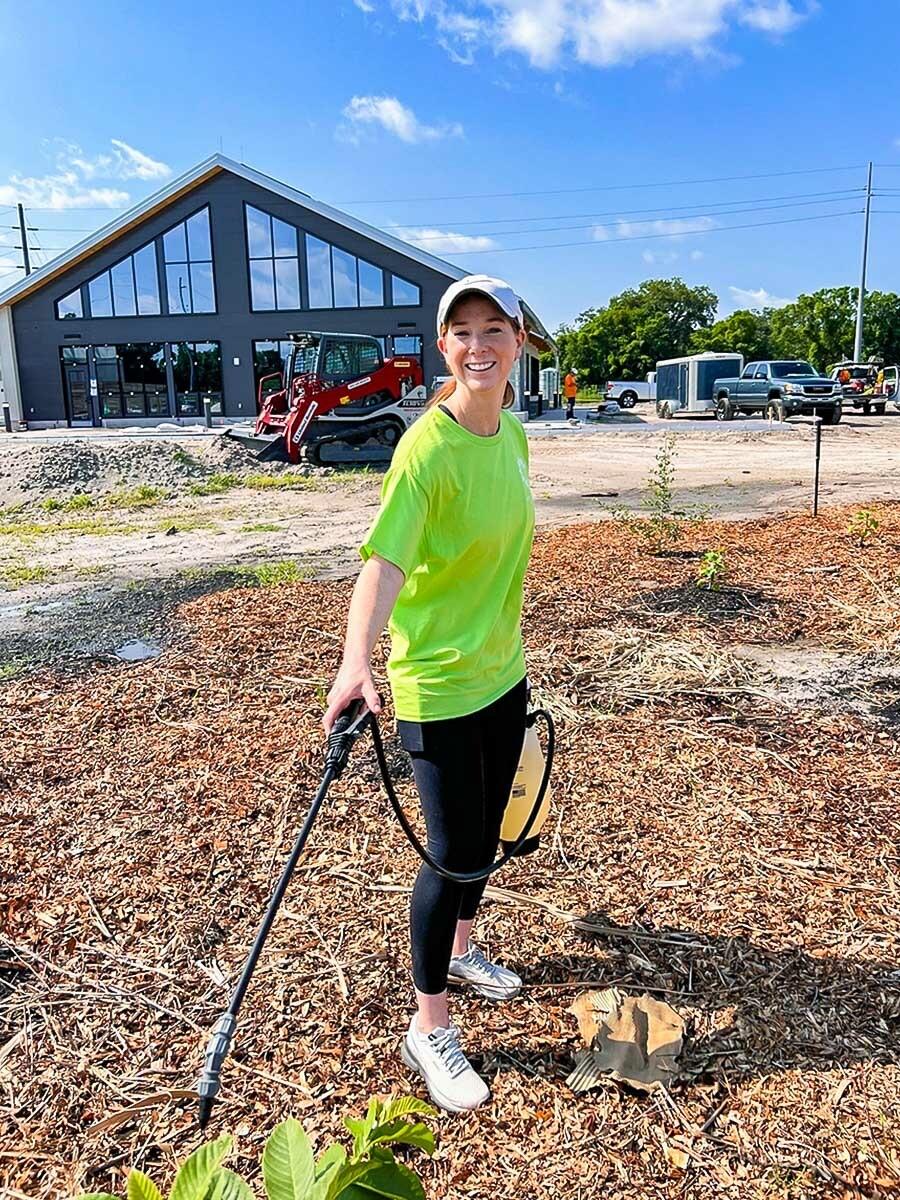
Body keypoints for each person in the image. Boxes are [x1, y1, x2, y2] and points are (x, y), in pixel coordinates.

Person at [323, 274, 535, 1114]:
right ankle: (429, 1026)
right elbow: (384, 562)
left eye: (495, 329)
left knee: (488, 838)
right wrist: (356, 662)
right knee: (450, 855)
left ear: (520, 341)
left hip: (501, 672)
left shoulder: (513, 435)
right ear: (442, 347)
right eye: (462, 332)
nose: (478, 346)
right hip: (439, 683)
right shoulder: (426, 448)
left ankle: (461, 949)